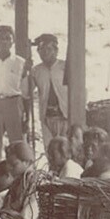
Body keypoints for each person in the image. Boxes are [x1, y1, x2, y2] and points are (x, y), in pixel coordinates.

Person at [0, 25, 29, 180]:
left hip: (13, 104)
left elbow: (26, 92)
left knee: (18, 146)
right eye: (0, 37)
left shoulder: (20, 62)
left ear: (13, 41)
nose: (4, 41)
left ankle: (20, 182)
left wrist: (26, 116)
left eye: (8, 38)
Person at [25, 33, 71, 175]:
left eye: (49, 49)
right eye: (41, 49)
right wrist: (26, 71)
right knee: (50, 151)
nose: (45, 52)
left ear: (56, 50)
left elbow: (80, 88)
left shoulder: (65, 67)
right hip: (47, 118)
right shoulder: (36, 71)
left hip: (65, 116)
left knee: (66, 150)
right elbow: (25, 91)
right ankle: (53, 178)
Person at [0, 133, 43, 219]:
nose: (9, 168)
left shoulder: (35, 183)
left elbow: (27, 217)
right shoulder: (18, 182)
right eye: (8, 164)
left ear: (27, 162)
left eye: (14, 164)